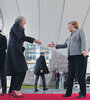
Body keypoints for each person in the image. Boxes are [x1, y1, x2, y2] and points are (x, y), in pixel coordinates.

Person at [48, 21, 87, 98]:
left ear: (74, 25)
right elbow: (65, 45)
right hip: (71, 58)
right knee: (70, 76)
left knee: (80, 76)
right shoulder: (69, 36)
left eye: (69, 26)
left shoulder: (80, 31)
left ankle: (82, 93)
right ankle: (68, 93)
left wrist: (83, 49)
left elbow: (83, 40)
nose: (68, 27)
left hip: (79, 56)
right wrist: (56, 45)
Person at [5, 16, 42, 98]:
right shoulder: (16, 26)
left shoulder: (18, 27)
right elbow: (21, 37)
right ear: (21, 21)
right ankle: (17, 89)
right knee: (22, 69)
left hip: (16, 51)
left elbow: (19, 39)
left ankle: (11, 91)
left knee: (16, 71)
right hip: (15, 52)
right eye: (24, 21)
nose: (25, 23)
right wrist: (34, 40)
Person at [0, 29, 7, 96]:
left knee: (2, 76)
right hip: (2, 59)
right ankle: (4, 91)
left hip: (2, 58)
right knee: (3, 76)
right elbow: (5, 47)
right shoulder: (3, 37)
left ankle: (4, 91)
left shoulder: (3, 37)